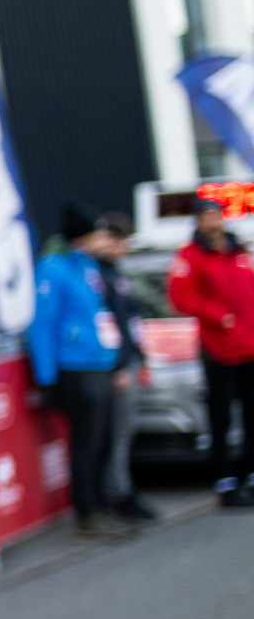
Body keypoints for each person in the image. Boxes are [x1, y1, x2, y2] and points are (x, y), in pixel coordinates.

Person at [28, 204, 129, 539]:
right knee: (86, 443)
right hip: (74, 366)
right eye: (98, 232)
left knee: (103, 439)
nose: (104, 238)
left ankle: (103, 506)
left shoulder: (90, 267)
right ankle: (86, 513)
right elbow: (43, 324)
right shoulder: (53, 268)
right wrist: (47, 378)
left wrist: (115, 358)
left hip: (99, 361)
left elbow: (103, 314)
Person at [167, 195, 254, 507]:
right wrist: (218, 315)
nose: (213, 221)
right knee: (221, 418)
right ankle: (225, 480)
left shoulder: (239, 250)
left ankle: (251, 475)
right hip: (219, 349)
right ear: (198, 221)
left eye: (217, 215)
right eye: (207, 216)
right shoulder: (190, 257)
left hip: (249, 346)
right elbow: (181, 298)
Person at [91, 211, 157, 522]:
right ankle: (118, 494)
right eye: (116, 240)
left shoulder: (116, 275)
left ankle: (120, 489)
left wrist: (140, 355)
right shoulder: (97, 277)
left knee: (123, 431)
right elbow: (107, 325)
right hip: (115, 366)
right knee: (116, 432)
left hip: (127, 361)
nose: (121, 247)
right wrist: (119, 365)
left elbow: (130, 321)